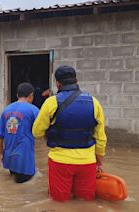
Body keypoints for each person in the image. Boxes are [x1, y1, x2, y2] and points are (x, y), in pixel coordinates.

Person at [32, 65, 107, 202]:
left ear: (58, 83)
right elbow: (101, 138)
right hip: (87, 163)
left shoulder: (51, 103)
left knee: (59, 203)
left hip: (60, 162)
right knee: (85, 203)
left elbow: (36, 132)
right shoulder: (94, 102)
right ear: (76, 81)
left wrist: (47, 133)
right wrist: (99, 163)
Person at [0, 82, 39, 183]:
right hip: (24, 160)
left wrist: (1, 154)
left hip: (9, 157)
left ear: (17, 95)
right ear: (31, 95)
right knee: (25, 190)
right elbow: (41, 132)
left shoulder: (6, 109)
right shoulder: (33, 110)